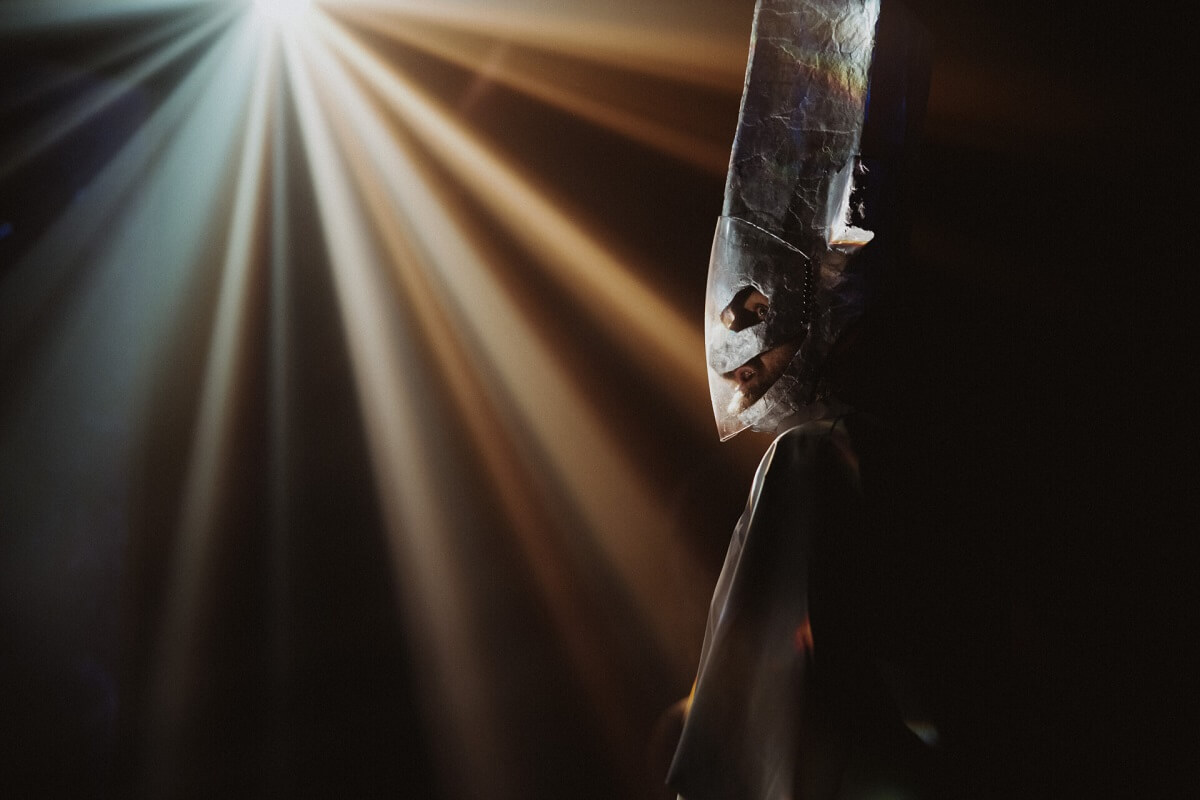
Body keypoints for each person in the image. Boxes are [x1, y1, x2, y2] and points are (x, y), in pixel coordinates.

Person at [661, 2, 1013, 797]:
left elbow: (761, 704)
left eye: (756, 306)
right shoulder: (868, 453)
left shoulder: (815, 458)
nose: (737, 343)